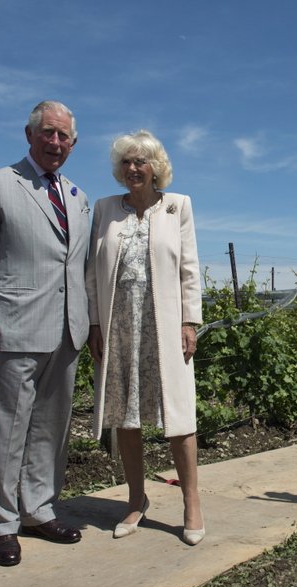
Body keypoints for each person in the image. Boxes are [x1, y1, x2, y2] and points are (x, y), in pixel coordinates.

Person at [0, 100, 90, 567]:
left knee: (51, 430)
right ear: (30, 134)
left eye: (65, 137)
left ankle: (38, 508)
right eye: (48, 133)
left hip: (67, 331)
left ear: (73, 144)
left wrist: (88, 323)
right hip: (14, 328)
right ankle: (1, 524)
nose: (56, 143)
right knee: (7, 430)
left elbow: (78, 267)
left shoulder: (77, 196)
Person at [85, 130, 205, 545]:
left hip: (165, 323)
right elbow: (90, 274)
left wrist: (190, 322)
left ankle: (191, 502)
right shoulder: (103, 209)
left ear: (157, 168)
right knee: (124, 414)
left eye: (142, 162)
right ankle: (136, 500)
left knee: (178, 415)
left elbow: (189, 269)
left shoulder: (178, 207)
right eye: (126, 162)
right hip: (118, 323)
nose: (133, 169)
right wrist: (95, 325)